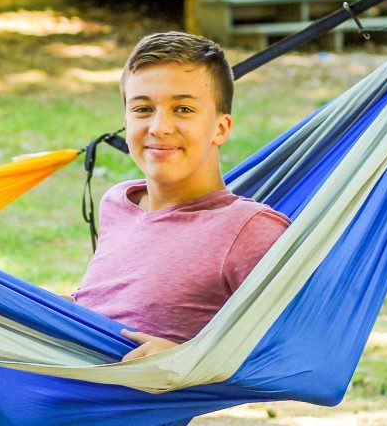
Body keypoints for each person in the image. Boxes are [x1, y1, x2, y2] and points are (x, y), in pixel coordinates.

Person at [71, 32, 290, 362]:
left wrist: (189, 358)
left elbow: (295, 351)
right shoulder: (118, 202)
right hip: (60, 379)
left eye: (183, 109)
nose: (159, 127)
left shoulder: (250, 231)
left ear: (221, 128)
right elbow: (113, 307)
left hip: (119, 405)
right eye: (143, 108)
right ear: (126, 121)